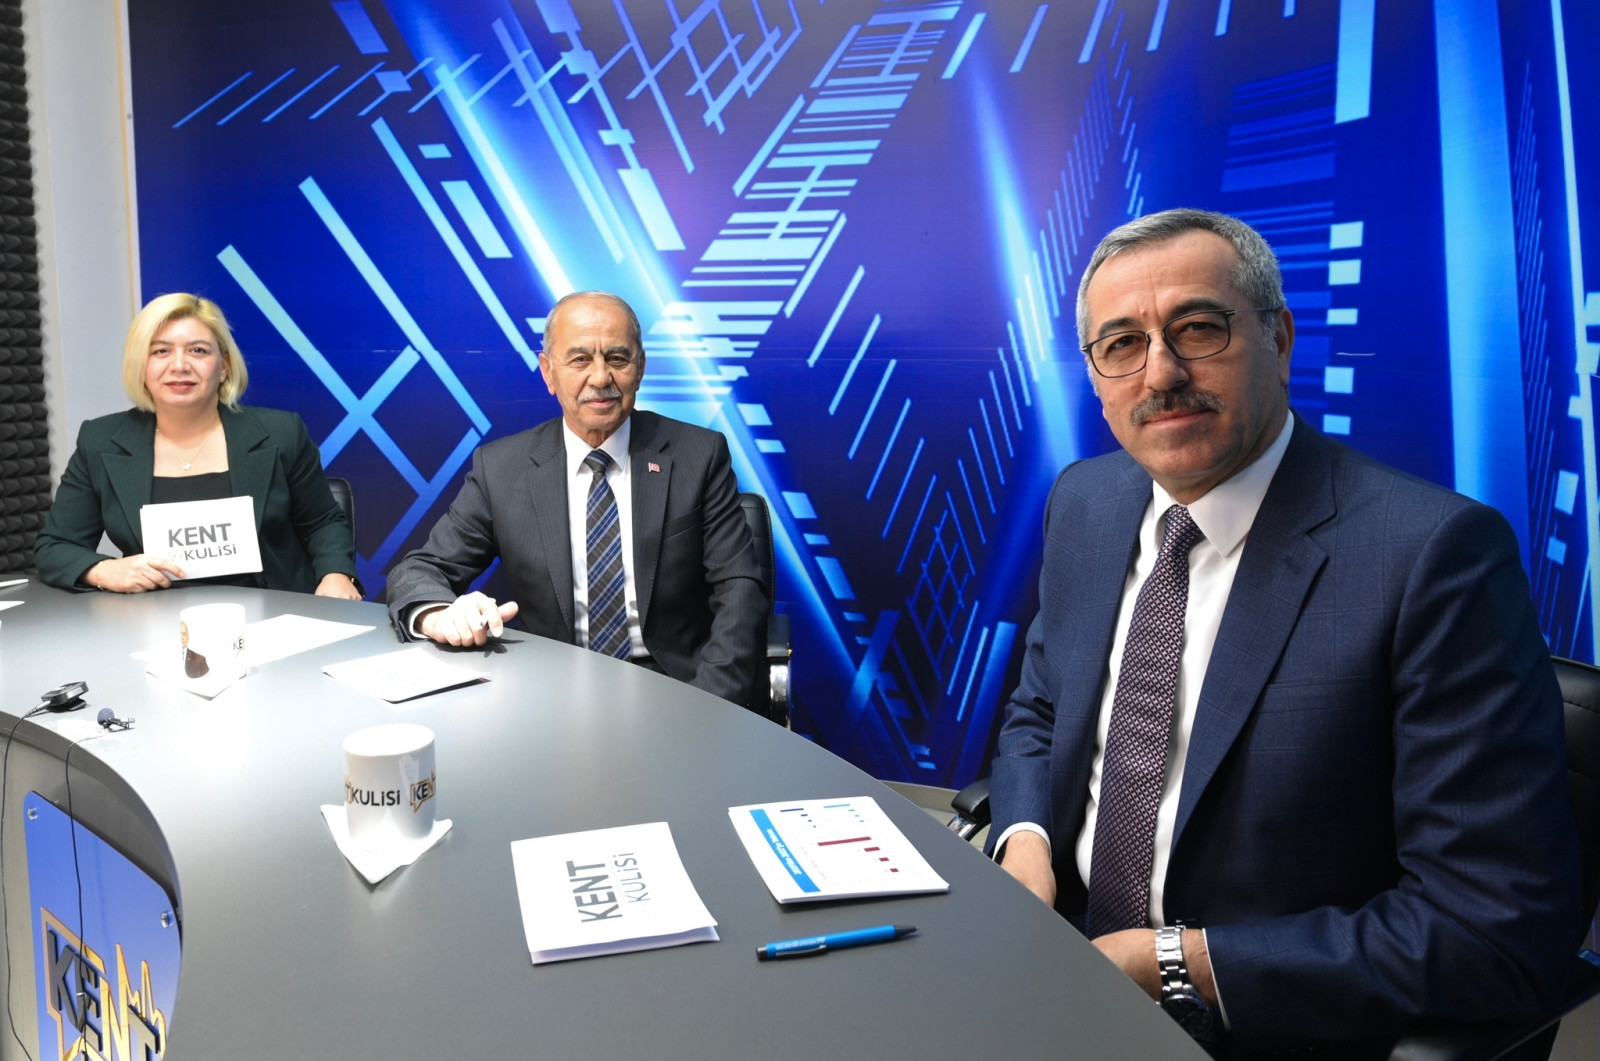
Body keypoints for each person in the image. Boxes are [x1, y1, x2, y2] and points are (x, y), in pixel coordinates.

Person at [987, 209, 1583, 1053]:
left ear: (1279, 338)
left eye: (1198, 328)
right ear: (1094, 373)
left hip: (1256, 1018)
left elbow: (1494, 926)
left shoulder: (1432, 556)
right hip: (1053, 965)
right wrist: (1024, 847)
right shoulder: (1085, 499)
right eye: (1121, 344)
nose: (1161, 373)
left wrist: (1173, 962)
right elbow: (1040, 711)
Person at [386, 290, 766, 709]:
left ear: (640, 368)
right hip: (549, 692)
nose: (601, 377)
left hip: (674, 688)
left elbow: (740, 590)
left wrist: (709, 707)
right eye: (580, 359)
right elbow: (419, 570)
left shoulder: (699, 455)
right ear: (548, 372)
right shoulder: (502, 468)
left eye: (617, 358)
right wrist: (437, 615)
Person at [34, 293, 360, 598]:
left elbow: (322, 522)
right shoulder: (101, 440)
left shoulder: (281, 432)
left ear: (224, 366)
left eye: (198, 351)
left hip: (273, 612)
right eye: (161, 351)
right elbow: (55, 547)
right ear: (141, 366)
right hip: (149, 620)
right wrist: (104, 570)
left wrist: (336, 575)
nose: (179, 365)